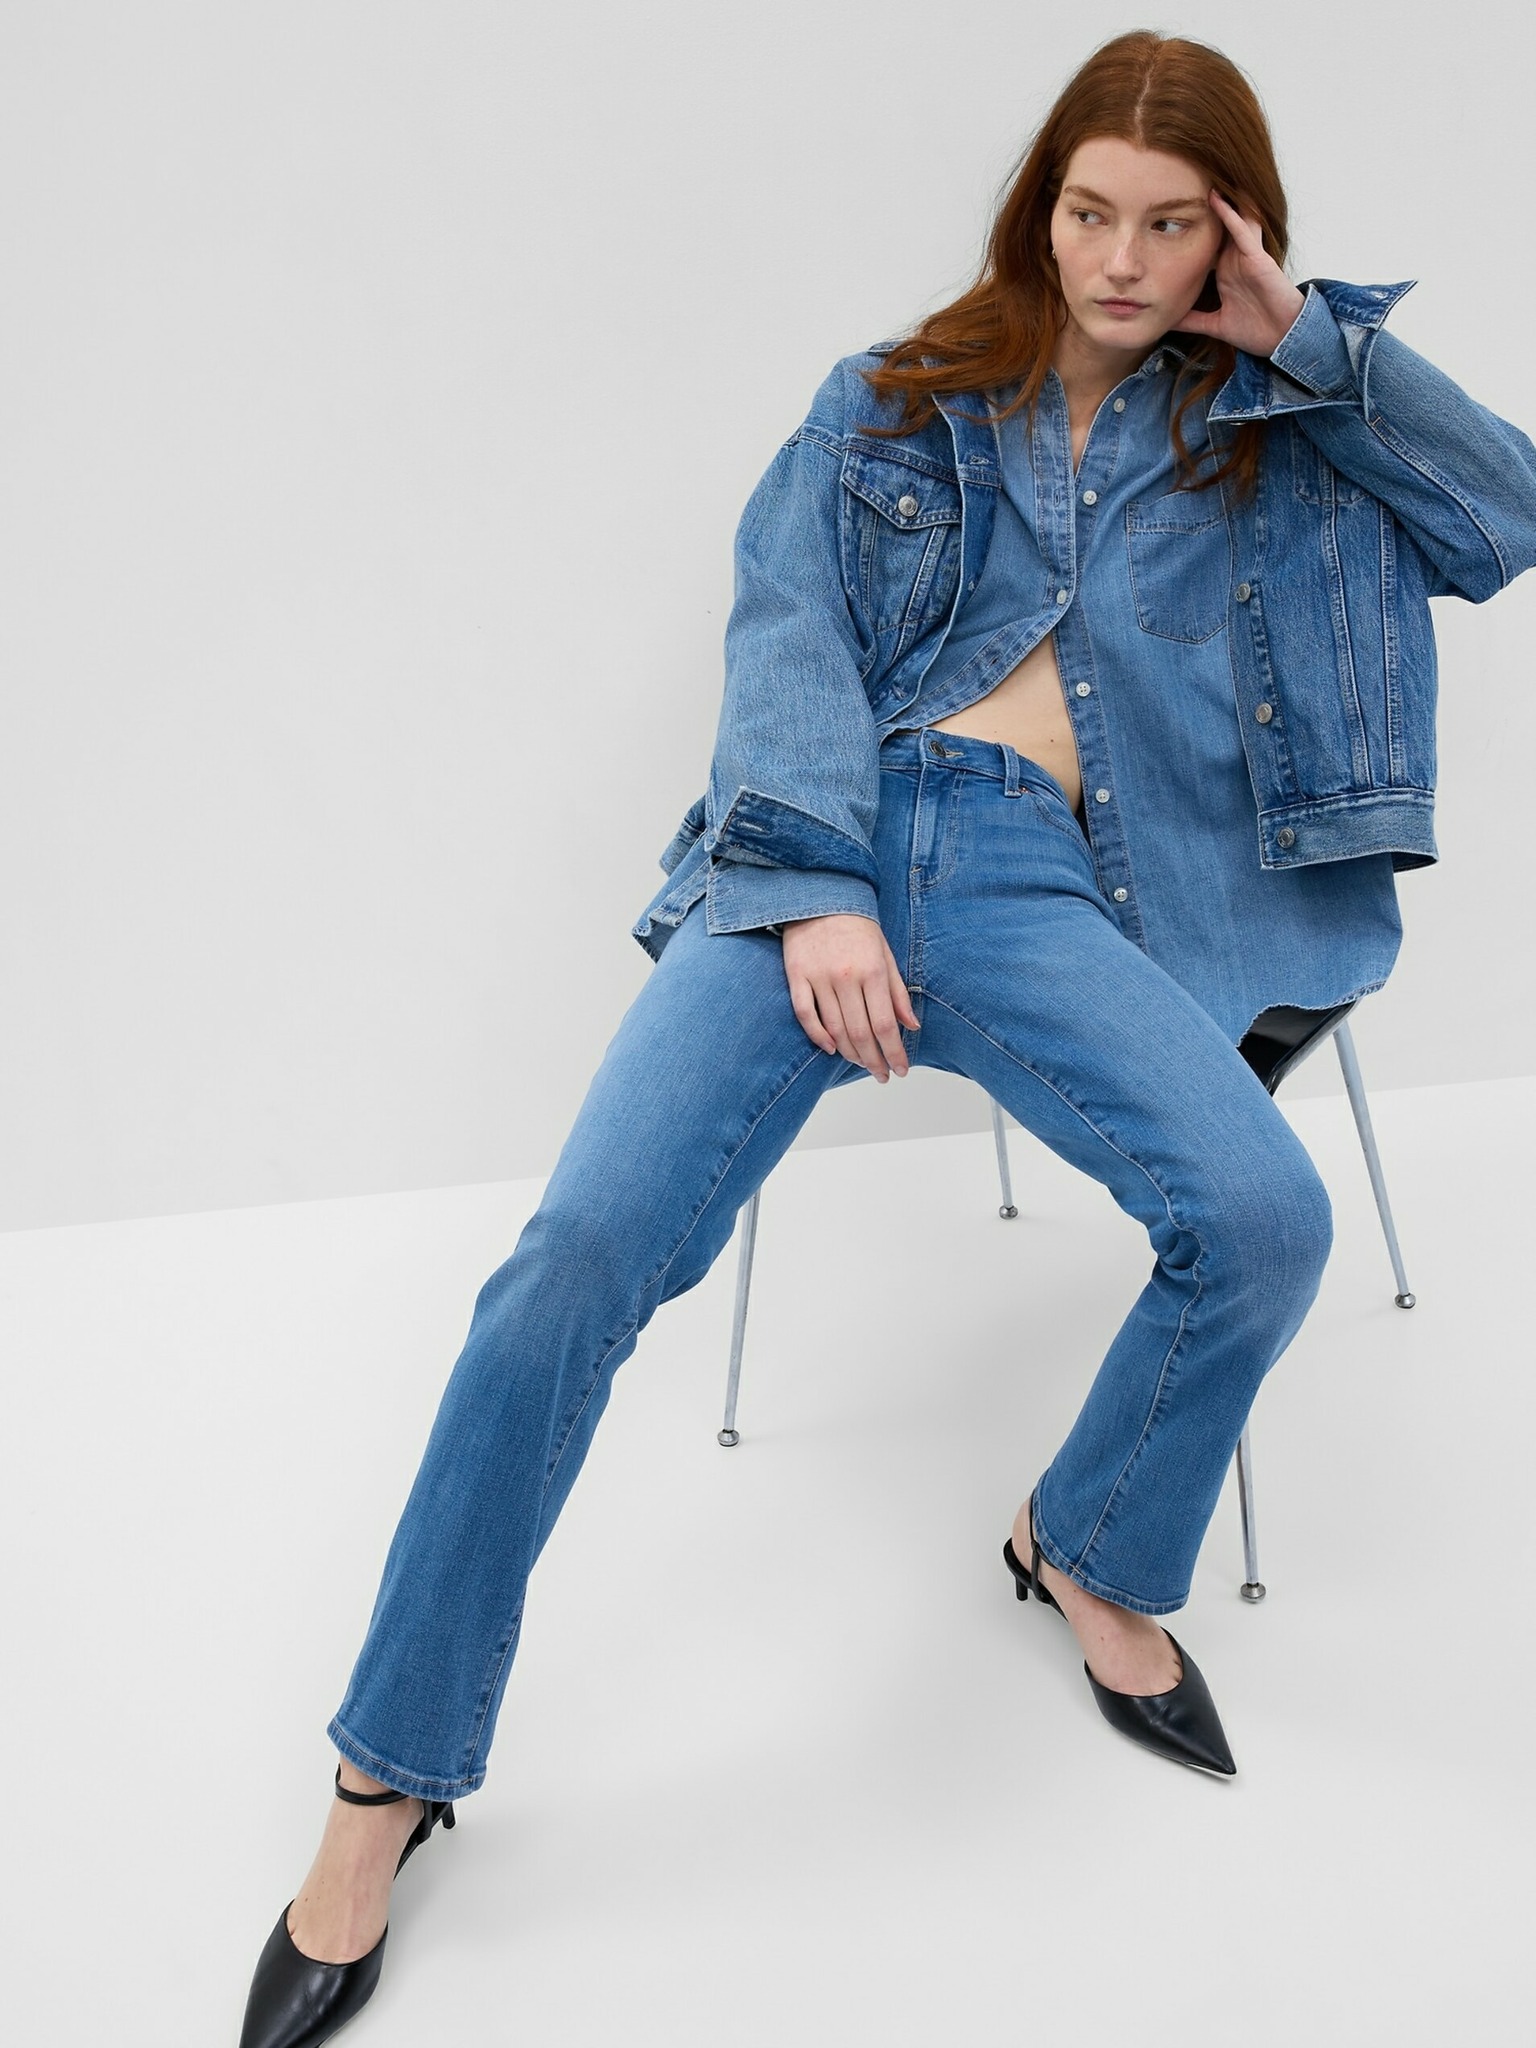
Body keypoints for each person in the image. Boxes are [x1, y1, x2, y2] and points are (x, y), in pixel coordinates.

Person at [238, 27, 1536, 2048]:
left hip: (1041, 886)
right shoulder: (895, 401)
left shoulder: (1269, 425)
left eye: (1171, 225)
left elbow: (1503, 518)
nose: (1122, 262)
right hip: (813, 860)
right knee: (569, 1267)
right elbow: (786, 634)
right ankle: (384, 1775)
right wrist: (822, 885)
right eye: (1090, 212)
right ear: (1043, 206)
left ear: (1235, 233)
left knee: (1264, 1219)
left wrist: (1308, 342)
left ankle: (1085, 1539)